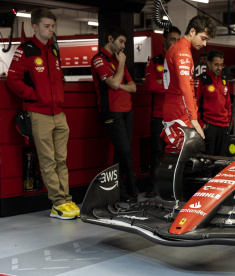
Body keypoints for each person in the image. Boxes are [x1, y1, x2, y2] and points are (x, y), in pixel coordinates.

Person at [7, 8, 79, 219]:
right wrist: (34, 95)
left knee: (61, 160)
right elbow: (13, 80)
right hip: (38, 113)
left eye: (53, 26)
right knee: (48, 161)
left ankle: (66, 199)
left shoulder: (53, 50)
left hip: (58, 113)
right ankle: (57, 204)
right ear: (35, 27)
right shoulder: (25, 50)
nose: (51, 30)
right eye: (47, 26)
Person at [91, 26, 138, 203]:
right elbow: (114, 83)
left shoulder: (117, 60)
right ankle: (132, 188)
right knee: (125, 151)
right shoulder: (99, 59)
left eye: (125, 43)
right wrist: (122, 66)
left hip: (127, 110)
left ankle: (120, 192)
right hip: (111, 110)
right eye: (121, 41)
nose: (123, 46)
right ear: (110, 39)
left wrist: (119, 84)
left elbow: (133, 87)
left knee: (121, 152)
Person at [161, 15, 217, 153]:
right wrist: (194, 118)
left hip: (177, 109)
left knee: (182, 156)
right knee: (179, 157)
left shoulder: (176, 48)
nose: (204, 44)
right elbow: (185, 87)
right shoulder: (182, 52)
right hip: (179, 112)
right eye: (203, 38)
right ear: (192, 31)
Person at [145, 26, 181, 197]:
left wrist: (164, 85)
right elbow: (151, 85)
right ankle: (154, 187)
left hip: (175, 117)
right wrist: (172, 88)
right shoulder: (154, 62)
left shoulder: (180, 61)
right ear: (164, 40)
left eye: (177, 39)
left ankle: (172, 187)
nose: (175, 43)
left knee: (174, 153)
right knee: (157, 153)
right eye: (172, 39)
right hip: (158, 115)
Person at [195, 49, 231, 156]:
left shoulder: (224, 80)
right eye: (216, 64)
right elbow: (194, 104)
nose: (219, 68)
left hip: (224, 127)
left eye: (221, 65)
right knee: (208, 161)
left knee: (221, 160)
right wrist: (201, 124)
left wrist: (228, 122)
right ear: (208, 63)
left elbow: (228, 103)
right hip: (209, 126)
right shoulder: (201, 80)